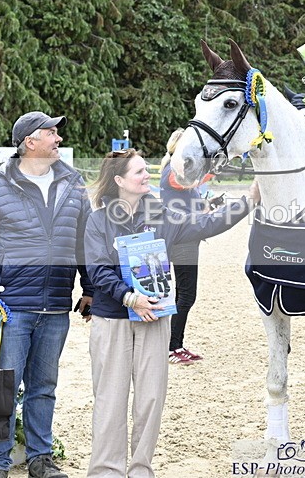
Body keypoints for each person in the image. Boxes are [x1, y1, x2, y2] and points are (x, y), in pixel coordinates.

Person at [84, 148, 255, 477]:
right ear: (119, 180)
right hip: (114, 319)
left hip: (155, 317)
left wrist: (247, 200)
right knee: (110, 399)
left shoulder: (162, 214)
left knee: (150, 400)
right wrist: (130, 298)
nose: (146, 175)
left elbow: (205, 223)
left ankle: (140, 469)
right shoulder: (98, 220)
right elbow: (97, 270)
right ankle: (106, 470)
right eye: (138, 172)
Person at [0, 111, 93, 478]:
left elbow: (85, 241)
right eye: (50, 132)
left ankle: (40, 459)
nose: (58, 138)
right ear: (29, 142)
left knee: (44, 388)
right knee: (2, 387)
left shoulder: (74, 183)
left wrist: (91, 290)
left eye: (56, 132)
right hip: (10, 306)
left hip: (55, 304)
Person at [158, 129, 210, 365]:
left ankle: (174, 344)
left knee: (184, 293)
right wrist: (210, 172)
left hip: (187, 236)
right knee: (186, 294)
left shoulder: (176, 172)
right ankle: (172, 346)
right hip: (182, 238)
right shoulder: (173, 171)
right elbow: (180, 182)